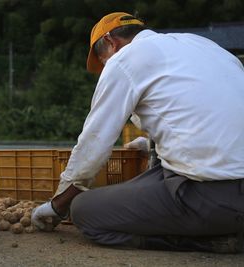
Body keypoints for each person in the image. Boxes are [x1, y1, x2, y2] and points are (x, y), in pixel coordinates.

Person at [31, 12, 244, 253]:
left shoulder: (123, 60)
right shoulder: (201, 45)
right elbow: (203, 111)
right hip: (230, 186)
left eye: (102, 61)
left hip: (217, 198)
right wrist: (150, 143)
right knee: (146, 178)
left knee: (84, 210)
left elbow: (95, 141)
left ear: (112, 43)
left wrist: (59, 204)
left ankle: (208, 240)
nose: (104, 70)